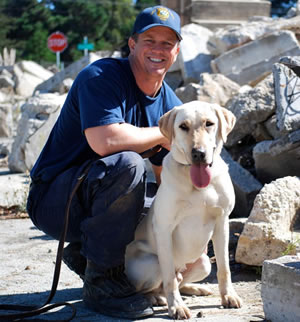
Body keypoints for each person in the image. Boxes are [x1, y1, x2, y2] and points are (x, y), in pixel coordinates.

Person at [26, 5, 182, 319]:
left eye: (167, 43)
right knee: (127, 164)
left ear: (176, 51)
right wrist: (164, 133)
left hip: (101, 196)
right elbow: (105, 141)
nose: (158, 49)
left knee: (165, 209)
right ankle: (103, 283)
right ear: (132, 44)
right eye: (149, 40)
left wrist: (180, 246)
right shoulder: (101, 76)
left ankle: (87, 255)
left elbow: (170, 181)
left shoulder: (169, 103)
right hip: (56, 202)